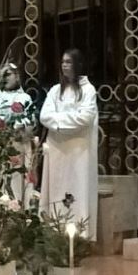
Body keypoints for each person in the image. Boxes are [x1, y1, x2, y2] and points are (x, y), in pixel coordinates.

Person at [39, 49, 99, 239]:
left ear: (78, 65)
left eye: (68, 62)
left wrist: (59, 123)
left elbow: (86, 118)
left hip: (78, 150)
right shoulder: (56, 91)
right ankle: (55, 232)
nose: (64, 65)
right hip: (57, 149)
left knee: (77, 189)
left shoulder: (88, 90)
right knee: (57, 190)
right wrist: (63, 123)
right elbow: (45, 116)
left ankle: (79, 235)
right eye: (63, 62)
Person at [0, 63, 35, 204]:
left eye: (8, 74)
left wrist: (20, 127)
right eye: (1, 75)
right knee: (1, 182)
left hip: (19, 146)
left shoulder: (25, 98)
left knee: (18, 182)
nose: (4, 78)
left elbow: (31, 121)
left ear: (17, 76)